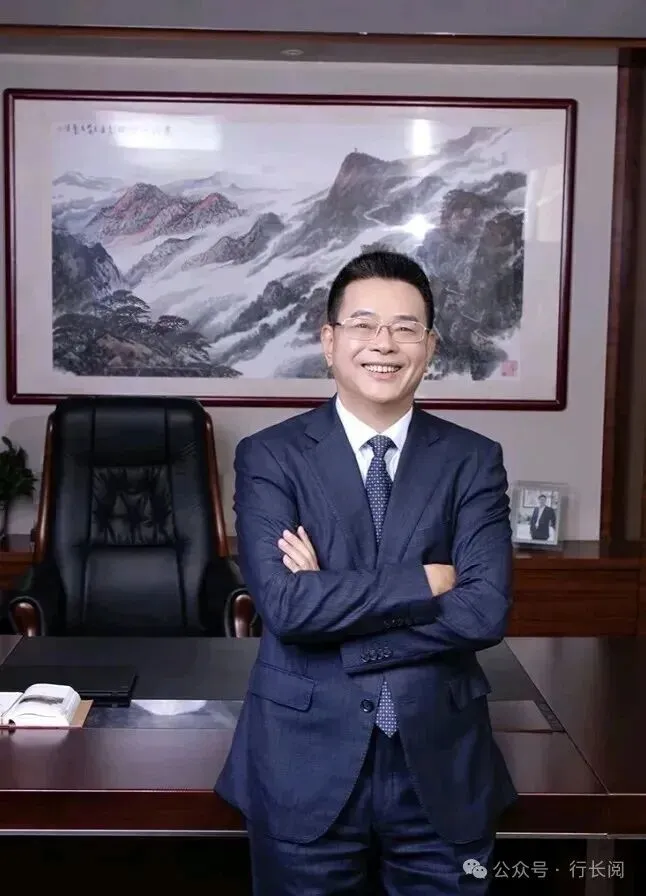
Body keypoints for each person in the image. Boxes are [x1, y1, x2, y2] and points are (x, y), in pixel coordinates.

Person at [216, 250, 517, 894]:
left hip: (442, 762)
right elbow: (285, 608)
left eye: (406, 328)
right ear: (329, 342)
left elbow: (484, 611)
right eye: (364, 325)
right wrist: (427, 580)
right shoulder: (271, 456)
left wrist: (331, 604)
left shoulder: (473, 460)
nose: (384, 344)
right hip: (301, 761)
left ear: (430, 347)